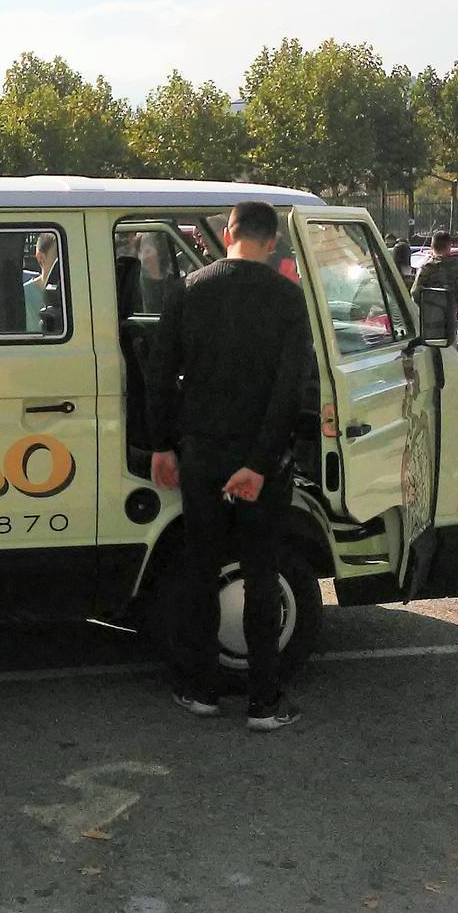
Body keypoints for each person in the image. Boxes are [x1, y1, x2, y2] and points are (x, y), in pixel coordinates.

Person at [146, 200, 310, 732]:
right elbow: (290, 389)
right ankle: (265, 700)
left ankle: (199, 689)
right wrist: (260, 465)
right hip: (261, 461)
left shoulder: (191, 289)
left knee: (200, 567)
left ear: (227, 231)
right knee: (262, 573)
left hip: (201, 451)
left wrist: (162, 446)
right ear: (274, 241)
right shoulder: (288, 298)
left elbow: (160, 372)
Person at [410, 230, 458, 308]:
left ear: (431, 246)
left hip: (428, 317)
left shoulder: (426, 268)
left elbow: (415, 294)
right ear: (449, 247)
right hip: (451, 316)